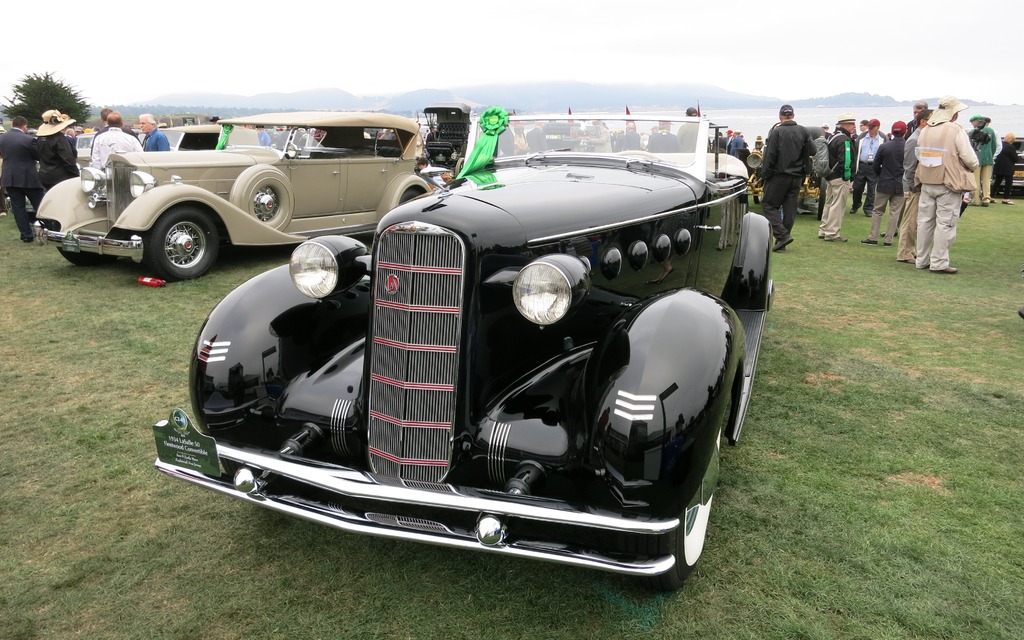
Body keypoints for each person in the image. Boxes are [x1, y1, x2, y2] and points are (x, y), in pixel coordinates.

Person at [915, 96, 978, 275]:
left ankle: (922, 259)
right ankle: (939, 262)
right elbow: (970, 158)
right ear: (954, 113)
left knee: (925, 221)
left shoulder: (926, 129)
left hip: (927, 180)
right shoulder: (955, 130)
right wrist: (972, 166)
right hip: (948, 183)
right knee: (946, 223)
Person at [759, 104, 814, 251]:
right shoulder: (803, 131)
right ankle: (782, 240)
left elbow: (770, 156)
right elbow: (813, 150)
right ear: (793, 116)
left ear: (780, 116)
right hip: (797, 177)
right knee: (790, 208)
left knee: (769, 205)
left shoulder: (777, 132)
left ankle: (782, 236)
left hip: (779, 176)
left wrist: (764, 175)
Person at [0, 115, 45, 242]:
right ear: (25, 126)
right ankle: (48, 229)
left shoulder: (2, 139)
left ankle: (26, 235)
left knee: (18, 208)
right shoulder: (28, 139)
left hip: (10, 176)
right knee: (40, 205)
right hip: (28, 176)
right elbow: (38, 156)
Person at [896, 109, 932, 264]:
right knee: (909, 221)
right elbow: (909, 166)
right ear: (923, 121)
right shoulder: (914, 139)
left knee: (915, 221)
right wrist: (912, 185)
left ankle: (910, 250)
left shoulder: (921, 137)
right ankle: (904, 252)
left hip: (917, 185)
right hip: (912, 186)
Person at [863, 121, 907, 246]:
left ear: (892, 132)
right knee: (895, 213)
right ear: (905, 132)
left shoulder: (884, 146)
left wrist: (881, 175)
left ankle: (873, 237)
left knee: (877, 211)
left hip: (885, 182)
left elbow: (876, 165)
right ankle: (889, 239)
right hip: (900, 184)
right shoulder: (908, 147)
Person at [819, 113, 858, 243]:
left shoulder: (833, 137)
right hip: (840, 177)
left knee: (829, 203)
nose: (854, 126)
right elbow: (846, 161)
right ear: (845, 125)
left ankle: (824, 229)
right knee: (838, 205)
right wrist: (848, 177)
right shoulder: (844, 140)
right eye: (852, 124)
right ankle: (832, 233)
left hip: (830, 176)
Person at [36, 110, 80, 191]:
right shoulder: (59, 138)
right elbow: (68, 159)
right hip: (61, 178)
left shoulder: (40, 138)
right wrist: (77, 175)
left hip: (44, 176)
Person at [851, 119, 884, 216]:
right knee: (857, 188)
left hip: (874, 166)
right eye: (869, 127)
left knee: (871, 190)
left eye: (872, 127)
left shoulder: (883, 138)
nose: (869, 129)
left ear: (877, 127)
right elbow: (855, 150)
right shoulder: (862, 137)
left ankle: (868, 208)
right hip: (861, 165)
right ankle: (856, 204)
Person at [967, 115, 997, 206]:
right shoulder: (991, 131)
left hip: (976, 158)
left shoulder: (973, 132)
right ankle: (986, 199)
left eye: (973, 122)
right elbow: (994, 145)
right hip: (988, 158)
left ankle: (976, 200)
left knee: (975, 180)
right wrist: (991, 155)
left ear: (977, 121)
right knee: (987, 180)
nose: (972, 124)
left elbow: (970, 147)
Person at [991, 132, 1017, 205]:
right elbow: (1015, 158)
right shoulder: (1011, 147)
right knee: (1008, 183)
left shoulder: (1000, 145)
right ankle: (1006, 198)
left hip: (998, 167)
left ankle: (991, 196)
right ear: (1012, 140)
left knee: (997, 182)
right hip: (1008, 168)